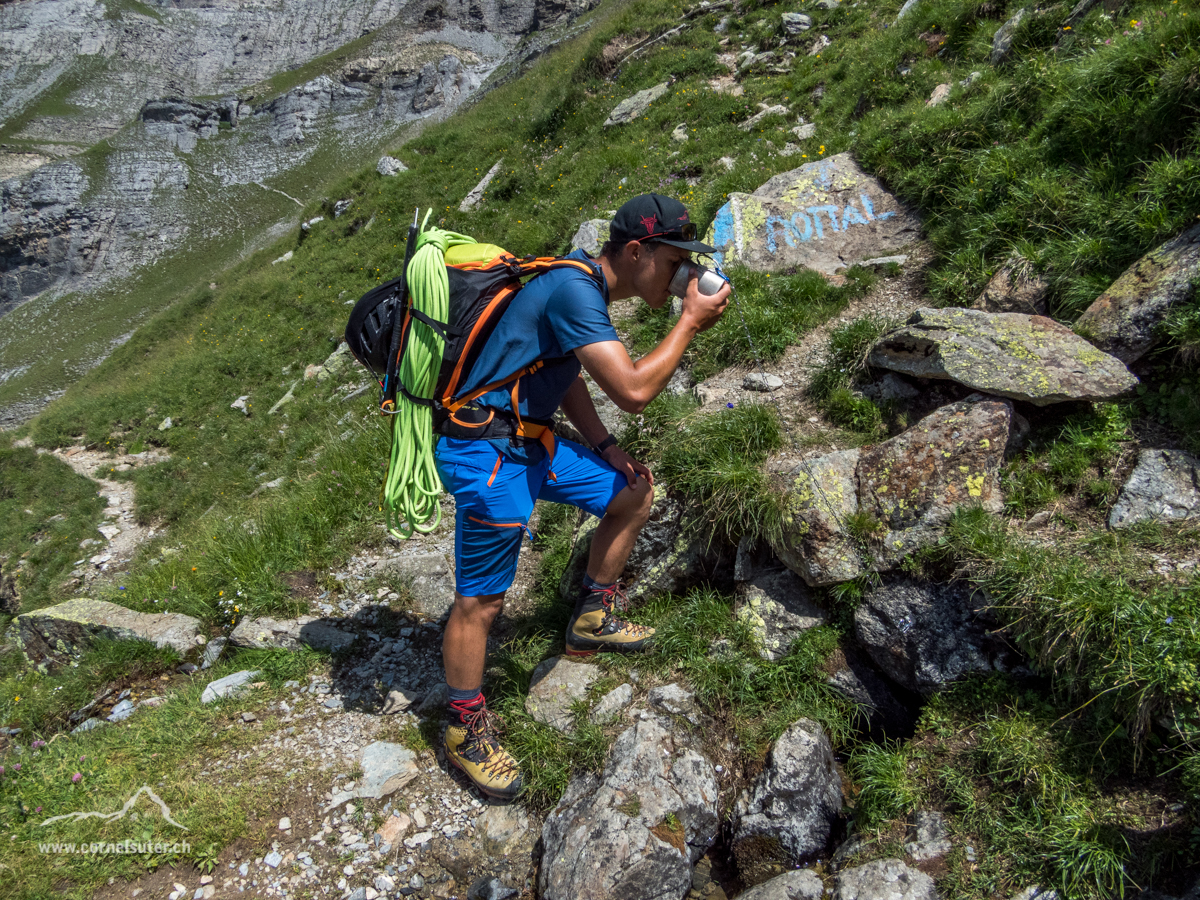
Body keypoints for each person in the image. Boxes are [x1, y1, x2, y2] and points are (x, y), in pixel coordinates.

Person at [436, 193, 731, 799]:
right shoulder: (576, 290)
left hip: (530, 441)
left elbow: (564, 373)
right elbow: (633, 389)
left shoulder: (580, 283)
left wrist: (604, 446)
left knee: (631, 492)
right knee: (482, 604)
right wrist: (689, 321)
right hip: (487, 451)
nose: (682, 277)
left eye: (687, 267)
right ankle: (464, 726)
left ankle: (593, 616)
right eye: (675, 262)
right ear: (634, 251)